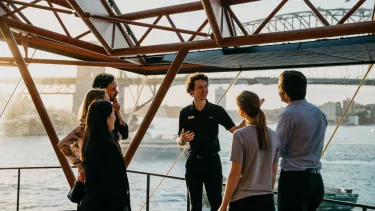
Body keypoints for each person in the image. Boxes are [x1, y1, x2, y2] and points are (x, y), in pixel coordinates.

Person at [176, 73, 246, 211]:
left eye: (206, 86)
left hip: (212, 163)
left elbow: (236, 130)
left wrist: (251, 113)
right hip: (193, 162)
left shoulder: (216, 110)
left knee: (217, 203)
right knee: (194, 205)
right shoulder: (184, 112)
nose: (204, 90)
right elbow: (179, 139)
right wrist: (182, 139)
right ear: (191, 91)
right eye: (200, 87)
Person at [219, 91, 279, 211]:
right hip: (267, 201)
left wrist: (223, 205)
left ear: (241, 111)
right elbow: (273, 173)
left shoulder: (240, 135)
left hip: (243, 201)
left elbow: (235, 174)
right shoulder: (274, 136)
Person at [276, 70, 327, 211]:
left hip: (294, 181)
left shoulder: (288, 114)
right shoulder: (319, 113)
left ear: (284, 92)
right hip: (316, 181)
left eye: (278, 86)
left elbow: (276, 149)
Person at [80, 100, 131, 211]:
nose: (114, 117)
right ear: (107, 118)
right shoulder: (108, 145)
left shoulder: (89, 140)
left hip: (91, 202)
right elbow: (115, 179)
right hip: (109, 204)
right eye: (113, 113)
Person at [58, 89, 109, 182]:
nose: (110, 104)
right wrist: (80, 166)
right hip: (92, 177)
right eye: (107, 100)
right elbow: (62, 145)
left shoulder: (99, 125)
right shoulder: (85, 126)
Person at [92, 73, 128, 141]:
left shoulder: (111, 111)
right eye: (113, 89)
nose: (117, 92)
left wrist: (117, 112)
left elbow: (124, 134)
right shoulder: (94, 114)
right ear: (102, 91)